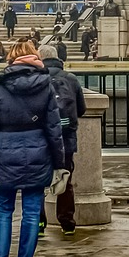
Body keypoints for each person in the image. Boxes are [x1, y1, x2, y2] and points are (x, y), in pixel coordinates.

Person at [0, 38, 64, 257]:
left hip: (4, 149)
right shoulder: (45, 84)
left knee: (3, 208)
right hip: (38, 150)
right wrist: (59, 163)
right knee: (32, 211)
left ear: (11, 58)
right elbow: (54, 129)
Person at [40, 49, 83, 235]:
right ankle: (67, 223)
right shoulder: (71, 79)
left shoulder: (37, 79)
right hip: (66, 138)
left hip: (42, 139)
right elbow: (81, 108)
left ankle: (40, 224)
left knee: (38, 182)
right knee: (65, 179)